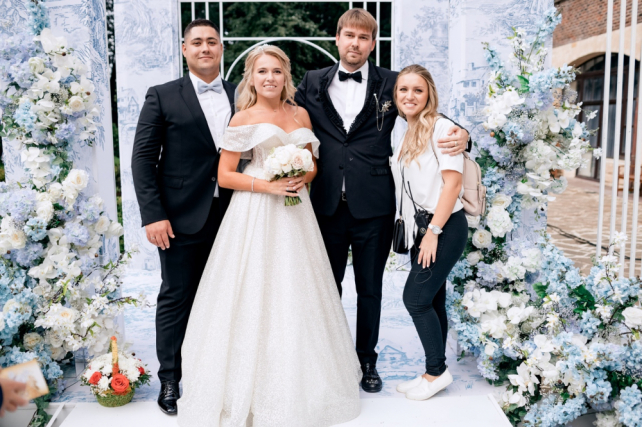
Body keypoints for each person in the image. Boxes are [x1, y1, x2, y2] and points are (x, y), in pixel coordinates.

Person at [177, 45, 361, 427]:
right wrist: (268, 185)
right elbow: (225, 175)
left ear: (285, 76)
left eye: (276, 71)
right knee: (254, 287)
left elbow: (313, 165)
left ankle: (304, 382)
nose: (270, 78)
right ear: (251, 77)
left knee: (296, 288)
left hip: (296, 212)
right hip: (256, 210)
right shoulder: (243, 117)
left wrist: (299, 174)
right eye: (262, 71)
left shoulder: (300, 114)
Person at [294, 8, 469, 393]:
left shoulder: (392, 82)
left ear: (372, 43)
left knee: (370, 290)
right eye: (349, 35)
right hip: (325, 204)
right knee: (326, 288)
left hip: (374, 207)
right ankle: (327, 360)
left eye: (363, 37)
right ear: (337, 38)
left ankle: (366, 361)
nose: (355, 43)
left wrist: (464, 134)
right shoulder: (312, 81)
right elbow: (286, 115)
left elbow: (425, 110)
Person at [131, 19, 236, 415]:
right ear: (184, 49)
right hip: (179, 216)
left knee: (229, 297)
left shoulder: (241, 94)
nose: (205, 48)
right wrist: (153, 215)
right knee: (176, 296)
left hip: (235, 215)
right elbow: (143, 159)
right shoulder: (161, 95)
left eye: (212, 41)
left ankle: (220, 376)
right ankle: (171, 379)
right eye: (197, 42)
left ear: (221, 47)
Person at [391, 65, 468, 400]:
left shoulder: (443, 128)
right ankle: (432, 370)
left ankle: (436, 373)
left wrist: (434, 232)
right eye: (403, 90)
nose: (410, 96)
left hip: (443, 226)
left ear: (429, 95)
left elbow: (453, 184)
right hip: (421, 227)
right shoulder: (406, 130)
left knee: (416, 299)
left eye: (417, 90)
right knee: (433, 300)